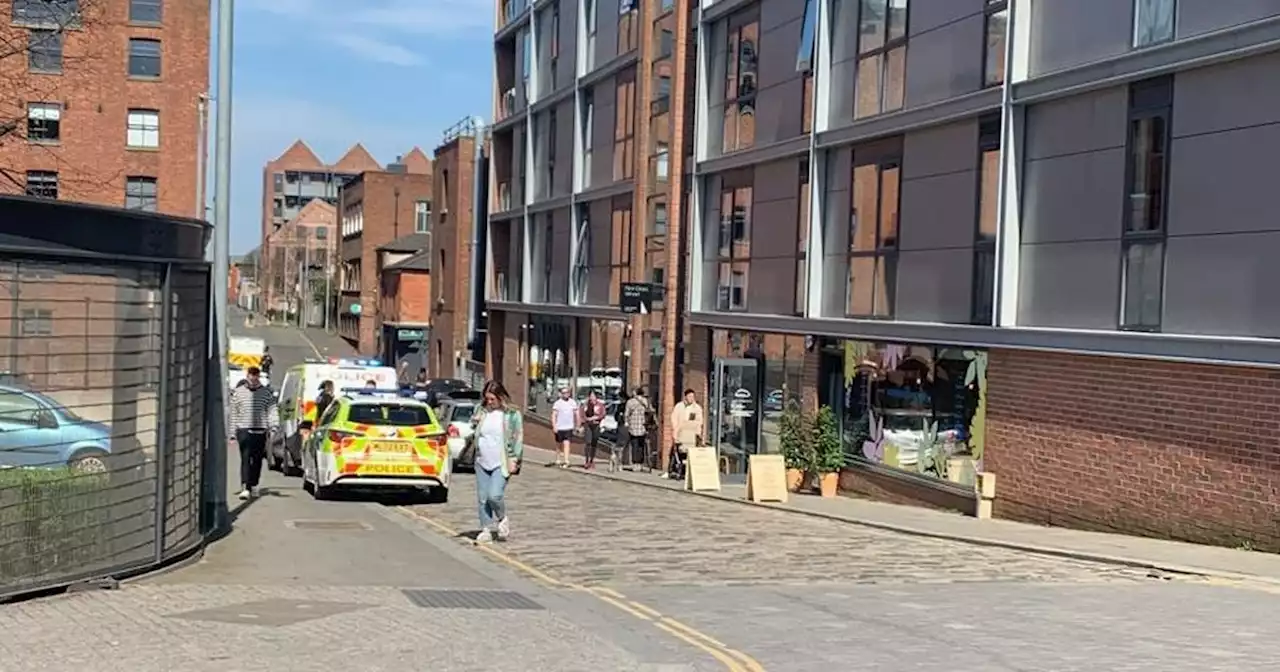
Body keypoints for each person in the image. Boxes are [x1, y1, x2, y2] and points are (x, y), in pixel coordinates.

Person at [470, 380, 524, 543]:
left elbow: (517, 437)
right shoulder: (481, 410)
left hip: (501, 460)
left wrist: (515, 458)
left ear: (500, 397)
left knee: (494, 495)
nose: (489, 402)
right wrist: (475, 422)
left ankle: (502, 518)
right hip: (482, 459)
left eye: (492, 399)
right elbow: (474, 430)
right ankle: (485, 528)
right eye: (487, 399)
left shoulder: (512, 414)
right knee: (482, 497)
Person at [229, 366, 279, 500]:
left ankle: (254, 484)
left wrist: (273, 425)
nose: (253, 378)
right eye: (251, 375)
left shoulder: (266, 393)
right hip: (243, 429)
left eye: (255, 375)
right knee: (245, 457)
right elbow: (234, 413)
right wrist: (232, 432)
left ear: (258, 377)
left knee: (257, 459)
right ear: (247, 376)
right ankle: (245, 486)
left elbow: (272, 409)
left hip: (260, 429)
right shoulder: (238, 392)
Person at [666, 388, 704, 480]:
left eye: (693, 396)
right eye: (690, 396)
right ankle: (672, 471)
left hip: (691, 436)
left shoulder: (697, 408)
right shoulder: (679, 406)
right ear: (685, 397)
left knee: (689, 454)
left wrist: (698, 434)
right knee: (675, 453)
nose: (691, 398)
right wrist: (675, 431)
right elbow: (674, 419)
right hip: (680, 433)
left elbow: (699, 422)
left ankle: (686, 472)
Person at [623, 387, 652, 470]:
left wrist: (626, 422)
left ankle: (635, 463)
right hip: (643, 426)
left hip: (633, 426)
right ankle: (641, 463)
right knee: (641, 445)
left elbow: (626, 413)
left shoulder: (631, 402)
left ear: (635, 393)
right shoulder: (646, 401)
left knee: (634, 444)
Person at [550, 386, 580, 468]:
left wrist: (578, 425)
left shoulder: (572, 402)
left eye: (567, 393)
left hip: (568, 427)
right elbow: (554, 415)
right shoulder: (557, 403)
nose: (566, 394)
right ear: (561, 394)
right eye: (564, 393)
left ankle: (566, 460)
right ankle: (558, 459)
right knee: (558, 444)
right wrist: (554, 426)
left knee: (567, 443)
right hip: (559, 427)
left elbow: (576, 414)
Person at [580, 390, 605, 470]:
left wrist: (596, 417)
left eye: (593, 396)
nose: (592, 398)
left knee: (594, 443)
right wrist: (583, 422)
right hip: (588, 425)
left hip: (596, 425)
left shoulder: (600, 405)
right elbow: (582, 414)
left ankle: (592, 460)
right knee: (588, 442)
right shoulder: (585, 405)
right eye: (591, 396)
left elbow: (603, 414)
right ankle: (587, 461)